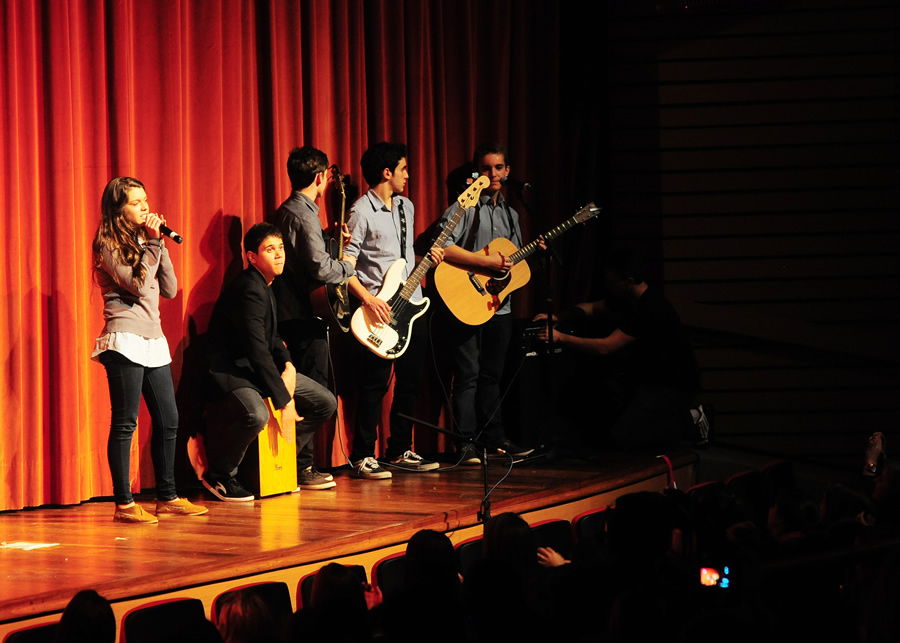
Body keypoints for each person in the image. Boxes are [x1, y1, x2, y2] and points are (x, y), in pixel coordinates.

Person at [91, 177, 208, 524]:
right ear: (118, 209)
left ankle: (167, 497)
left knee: (169, 419)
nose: (145, 207)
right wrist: (154, 245)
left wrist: (160, 246)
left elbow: (168, 288)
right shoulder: (108, 243)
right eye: (135, 202)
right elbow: (139, 285)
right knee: (125, 422)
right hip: (124, 338)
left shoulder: (147, 241)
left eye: (145, 200)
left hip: (152, 339)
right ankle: (124, 504)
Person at [202, 223, 336, 501]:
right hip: (232, 370)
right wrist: (285, 400)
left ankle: (279, 459)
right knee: (257, 415)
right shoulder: (249, 288)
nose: (279, 255)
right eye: (270, 249)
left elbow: (272, 336)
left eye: (281, 248)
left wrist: (288, 366)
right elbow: (256, 350)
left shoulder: (267, 283)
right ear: (252, 257)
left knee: (325, 402)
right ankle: (221, 475)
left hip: (255, 368)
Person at [536, 244, 706, 451]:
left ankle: (692, 418)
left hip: (674, 384)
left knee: (625, 437)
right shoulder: (628, 298)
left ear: (629, 281)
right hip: (651, 380)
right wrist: (560, 316)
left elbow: (605, 346)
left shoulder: (650, 308)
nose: (607, 286)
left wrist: (560, 338)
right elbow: (593, 308)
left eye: (612, 281)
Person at [341, 142, 443, 479]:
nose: (408, 175)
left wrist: (429, 260)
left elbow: (404, 259)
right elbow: (346, 265)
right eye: (403, 169)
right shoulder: (360, 211)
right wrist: (367, 299)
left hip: (413, 305)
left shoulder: (406, 207)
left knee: (411, 382)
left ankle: (399, 449)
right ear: (387, 173)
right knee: (374, 386)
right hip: (379, 311)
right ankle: (362, 455)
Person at [438, 143, 534, 464]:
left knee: (492, 375)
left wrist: (529, 257)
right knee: (467, 375)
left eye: (498, 168)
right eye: (485, 168)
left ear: (507, 172)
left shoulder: (511, 215)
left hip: (498, 305)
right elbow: (442, 247)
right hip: (466, 301)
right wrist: (485, 263)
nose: (492, 174)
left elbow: (513, 261)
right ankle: (465, 444)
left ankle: (495, 440)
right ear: (476, 172)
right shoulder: (464, 207)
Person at [270, 146, 355, 491]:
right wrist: (348, 266)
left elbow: (306, 255)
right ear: (320, 178)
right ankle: (299, 465)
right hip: (302, 315)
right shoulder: (302, 214)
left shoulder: (291, 210)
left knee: (309, 389)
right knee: (314, 391)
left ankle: (296, 464)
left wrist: (330, 237)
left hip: (295, 312)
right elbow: (320, 268)